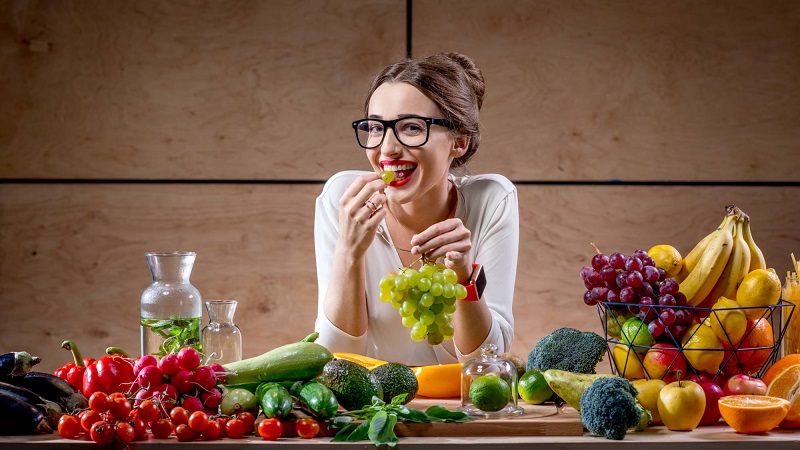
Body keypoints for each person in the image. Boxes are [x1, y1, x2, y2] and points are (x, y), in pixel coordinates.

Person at [314, 52, 519, 366]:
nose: (387, 148)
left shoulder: (492, 200)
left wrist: (463, 276)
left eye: (411, 127)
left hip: (455, 398)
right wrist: (349, 253)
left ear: (460, 141)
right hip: (369, 397)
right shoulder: (344, 199)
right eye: (376, 128)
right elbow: (333, 359)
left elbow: (487, 363)